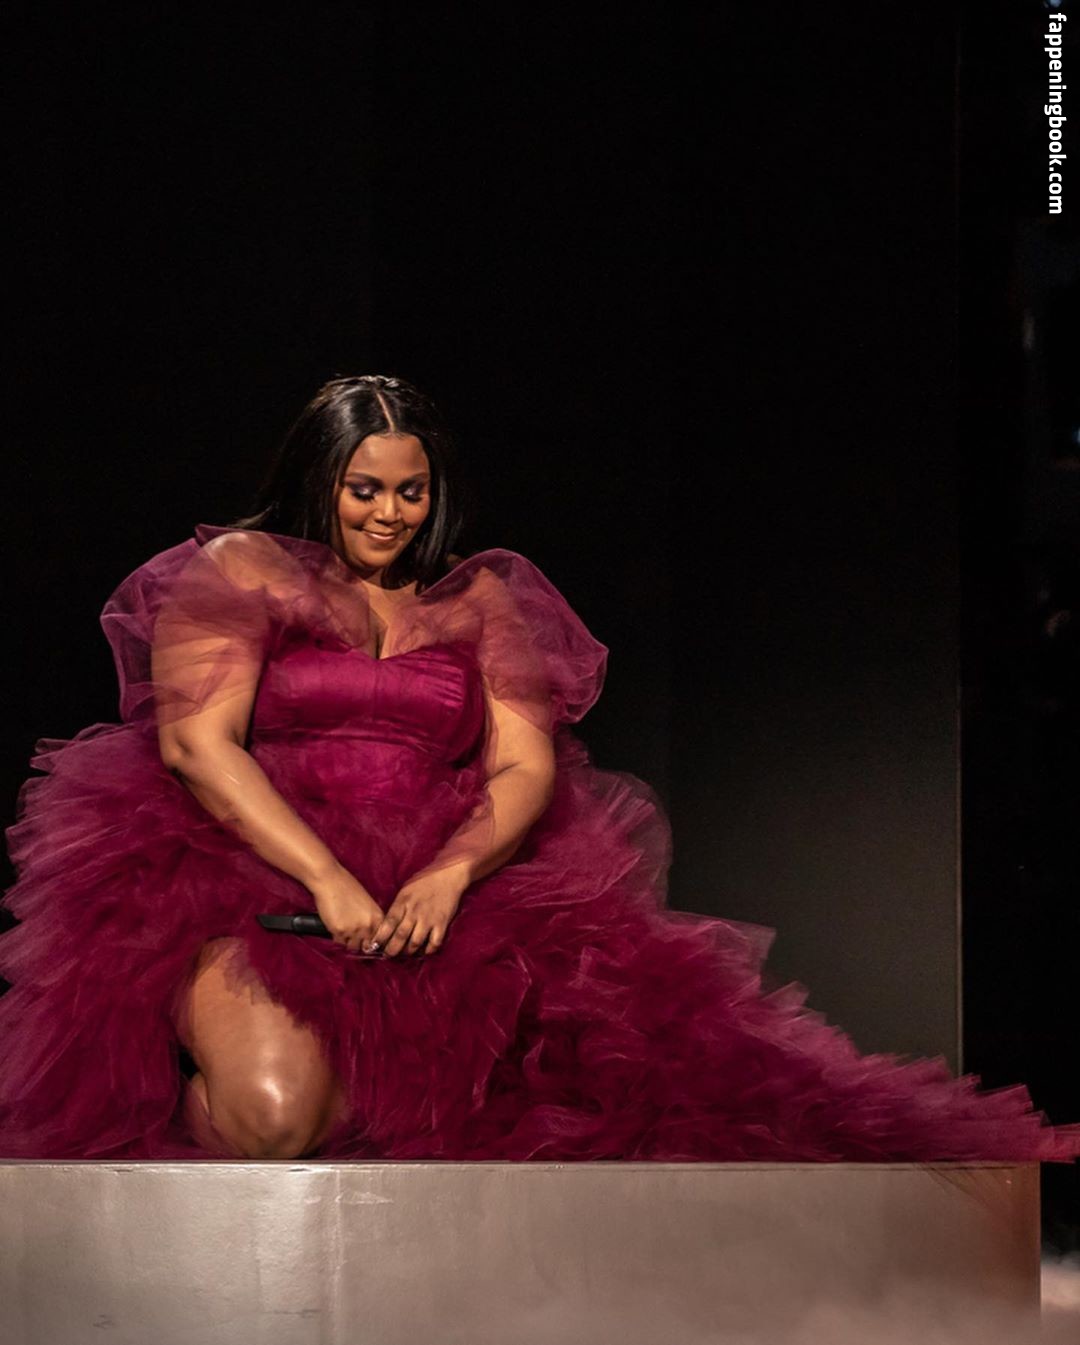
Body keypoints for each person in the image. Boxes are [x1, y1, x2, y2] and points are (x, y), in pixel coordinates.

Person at [1, 374, 1078, 1164]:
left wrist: (447, 875)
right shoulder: (244, 568)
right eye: (364, 488)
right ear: (318, 479)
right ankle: (189, 1107)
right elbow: (197, 742)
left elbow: (522, 767)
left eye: (411, 491)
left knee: (651, 1088)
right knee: (276, 1118)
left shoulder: (478, 599)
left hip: (442, 888)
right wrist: (325, 877)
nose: (388, 514)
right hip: (253, 870)